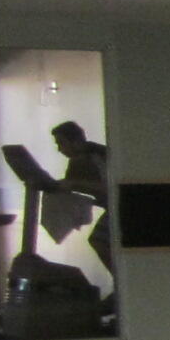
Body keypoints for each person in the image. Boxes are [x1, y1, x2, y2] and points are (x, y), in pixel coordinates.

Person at [48, 120, 112, 285]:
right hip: (112, 206)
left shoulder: (97, 156)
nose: (60, 149)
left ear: (76, 141)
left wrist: (75, 185)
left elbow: (109, 187)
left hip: (122, 205)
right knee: (99, 241)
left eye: (61, 143)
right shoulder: (77, 161)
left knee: (99, 241)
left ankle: (122, 282)